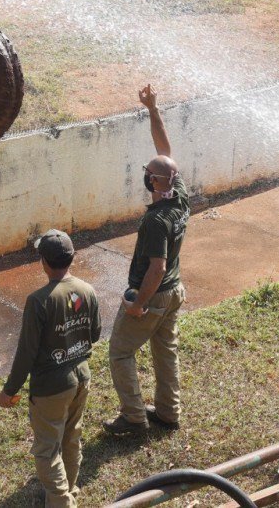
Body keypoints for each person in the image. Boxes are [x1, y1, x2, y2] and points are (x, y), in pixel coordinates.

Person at [104, 85, 190, 435]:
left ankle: (134, 417)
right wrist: (152, 109)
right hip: (174, 293)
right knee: (164, 350)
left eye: (148, 172)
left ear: (152, 181)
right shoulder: (180, 196)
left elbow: (157, 267)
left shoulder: (156, 221)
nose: (145, 174)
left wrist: (138, 304)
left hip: (154, 294)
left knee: (120, 352)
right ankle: (168, 412)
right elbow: (165, 151)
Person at [0, 229, 101, 507]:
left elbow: (26, 352)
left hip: (51, 387)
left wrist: (9, 391)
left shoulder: (39, 301)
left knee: (46, 450)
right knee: (71, 437)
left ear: (43, 261)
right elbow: (96, 333)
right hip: (81, 377)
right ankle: (69, 489)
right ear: (73, 257)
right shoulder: (87, 290)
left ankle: (61, 502)